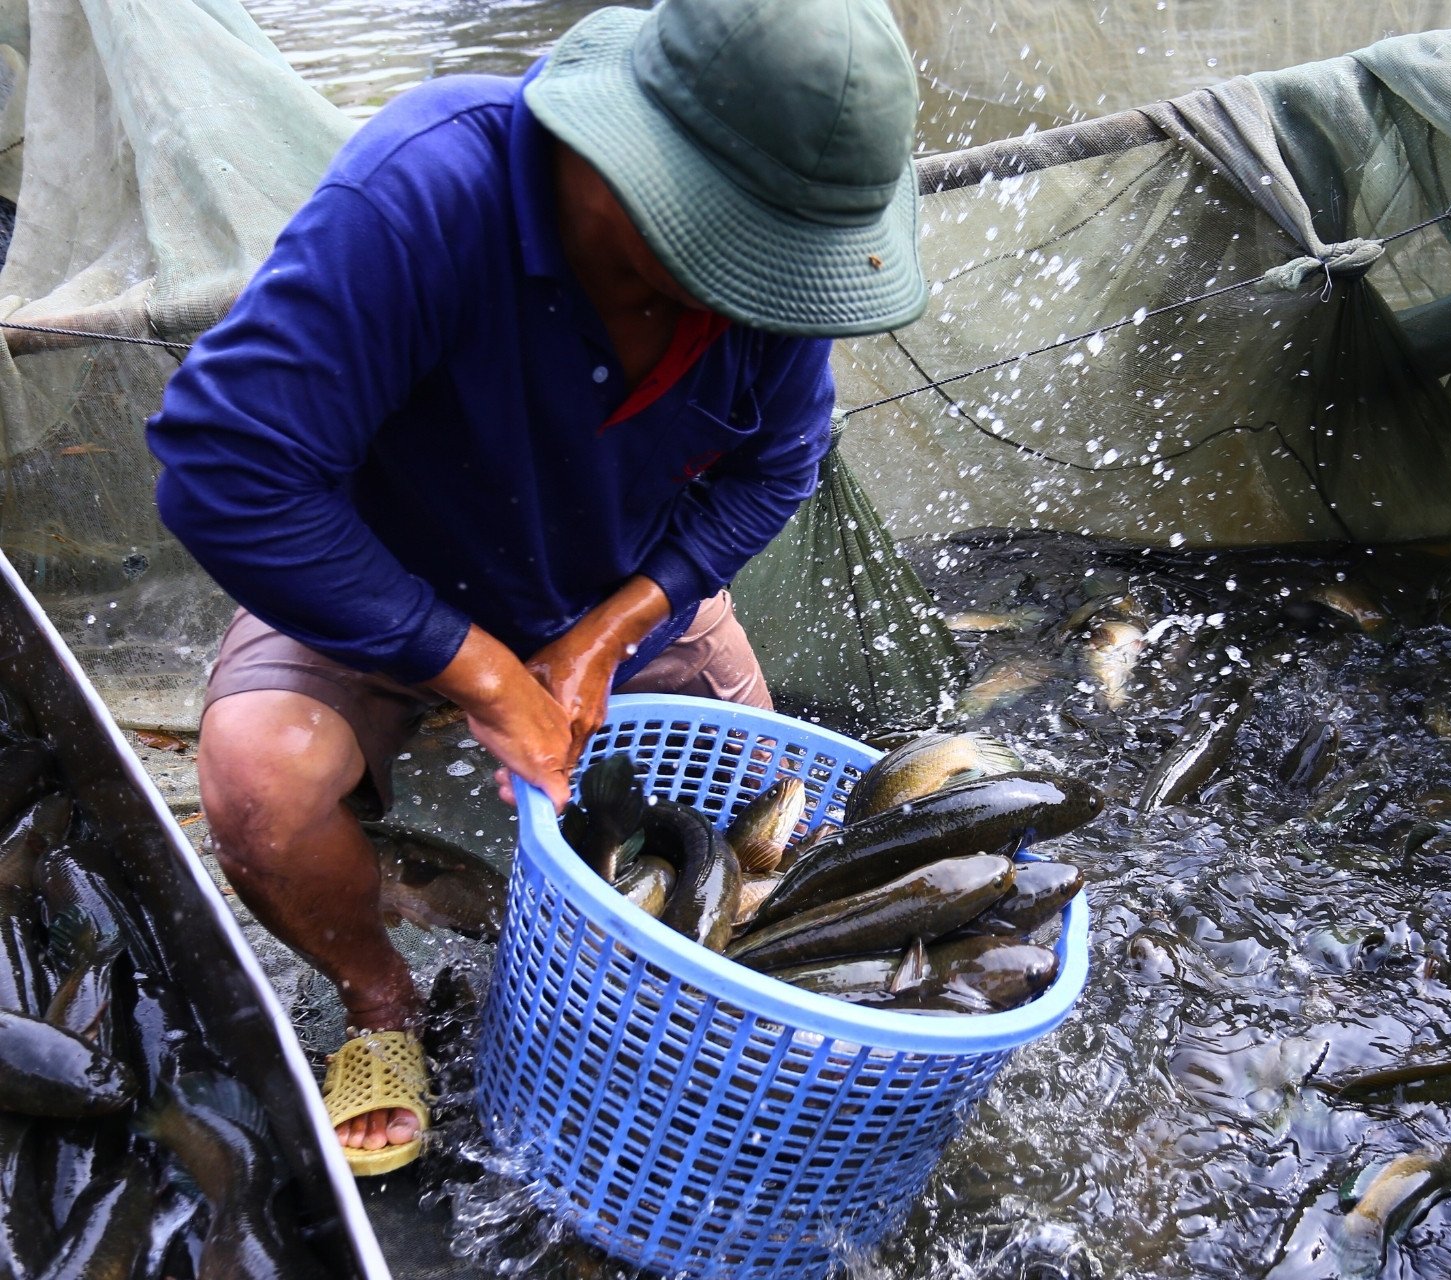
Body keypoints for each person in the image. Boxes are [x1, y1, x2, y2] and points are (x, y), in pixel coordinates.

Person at [145, 0, 925, 1176]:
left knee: (765, 820)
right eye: (740, 252)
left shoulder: (779, 286)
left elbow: (775, 471)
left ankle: (677, 1019)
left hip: (615, 586)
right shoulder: (426, 196)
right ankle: (380, 999)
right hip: (380, 574)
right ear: (623, 162)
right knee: (259, 786)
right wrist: (481, 673)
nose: (764, 292)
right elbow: (226, 472)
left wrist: (611, 631)